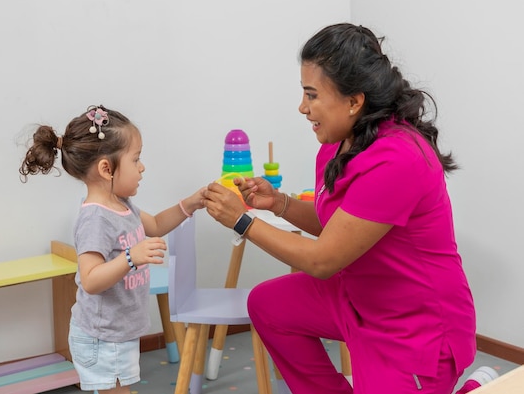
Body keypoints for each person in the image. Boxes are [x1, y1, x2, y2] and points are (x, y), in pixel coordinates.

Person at [202, 23, 477, 394]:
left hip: (413, 326)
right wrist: (280, 204)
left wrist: (241, 221)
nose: (302, 107)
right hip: (360, 300)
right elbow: (340, 226)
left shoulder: (399, 158)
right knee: (268, 305)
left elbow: (323, 260)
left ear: (354, 100)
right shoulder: (338, 144)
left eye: (311, 95)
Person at [19, 104, 204, 394]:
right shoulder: (95, 218)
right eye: (136, 159)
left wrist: (189, 204)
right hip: (102, 337)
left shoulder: (121, 204)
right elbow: (90, 280)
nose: (142, 167)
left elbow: (154, 224)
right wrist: (131, 257)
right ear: (107, 168)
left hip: (116, 333)